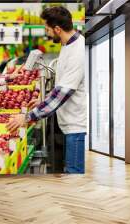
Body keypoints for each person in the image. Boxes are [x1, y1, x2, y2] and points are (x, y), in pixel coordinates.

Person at [6, 6, 86, 174]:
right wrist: (44, 99)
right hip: (66, 122)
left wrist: (27, 117)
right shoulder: (67, 46)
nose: (47, 33)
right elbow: (60, 85)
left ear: (57, 29)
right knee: (69, 172)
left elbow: (63, 92)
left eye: (47, 29)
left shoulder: (77, 51)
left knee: (74, 174)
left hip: (74, 127)